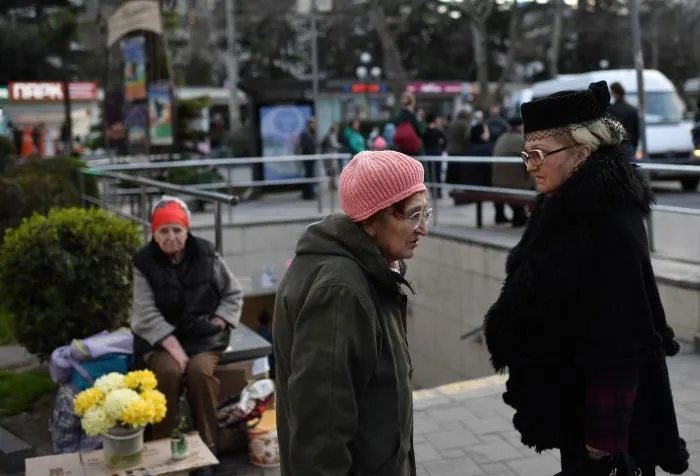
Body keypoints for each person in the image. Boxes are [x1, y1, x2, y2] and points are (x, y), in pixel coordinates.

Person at [483, 81, 688, 476]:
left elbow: (622, 340)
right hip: (572, 393)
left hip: (598, 417)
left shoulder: (608, 221)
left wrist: (602, 441)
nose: (530, 165)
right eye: (527, 154)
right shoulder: (564, 205)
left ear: (581, 152)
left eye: (539, 154)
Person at [273, 150, 430, 476]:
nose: (423, 228)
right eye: (413, 216)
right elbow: (320, 436)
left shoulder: (370, 268)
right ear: (372, 220)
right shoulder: (341, 291)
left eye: (426, 212)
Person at [130, 196, 244, 466]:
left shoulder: (205, 253)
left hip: (204, 336)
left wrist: (220, 320)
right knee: (168, 373)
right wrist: (174, 348)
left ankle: (208, 449)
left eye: (177, 230)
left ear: (187, 230)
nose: (171, 237)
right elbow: (144, 313)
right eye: (164, 231)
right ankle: (161, 449)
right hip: (160, 341)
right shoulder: (143, 262)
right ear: (153, 233)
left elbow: (233, 293)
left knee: (199, 373)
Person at [492, 116, 531, 227]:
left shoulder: (501, 138)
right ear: (520, 126)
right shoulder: (523, 140)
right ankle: (520, 217)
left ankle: (512, 215)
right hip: (517, 185)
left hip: (497, 183)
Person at [608, 82, 639, 159]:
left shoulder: (611, 109)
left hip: (616, 145)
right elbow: (637, 129)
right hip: (630, 144)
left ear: (614, 92)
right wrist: (634, 144)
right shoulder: (633, 109)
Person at [298, 117, 318, 200]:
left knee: (309, 175)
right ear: (309, 124)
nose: (314, 125)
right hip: (308, 158)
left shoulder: (311, 133)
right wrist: (312, 153)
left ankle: (308, 193)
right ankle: (309, 194)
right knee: (309, 175)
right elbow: (306, 146)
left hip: (310, 158)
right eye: (313, 123)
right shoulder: (306, 133)